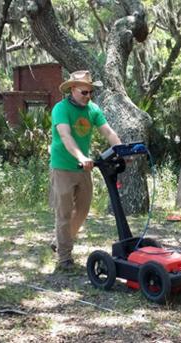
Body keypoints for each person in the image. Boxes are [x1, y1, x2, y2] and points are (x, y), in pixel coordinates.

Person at [50, 70, 122, 272]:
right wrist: (81, 156)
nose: (88, 96)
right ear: (72, 90)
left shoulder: (93, 109)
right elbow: (65, 136)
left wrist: (121, 150)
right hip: (63, 166)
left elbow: (107, 131)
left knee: (81, 211)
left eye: (90, 92)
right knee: (63, 213)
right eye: (84, 92)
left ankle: (59, 240)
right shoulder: (60, 109)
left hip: (84, 169)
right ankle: (64, 257)